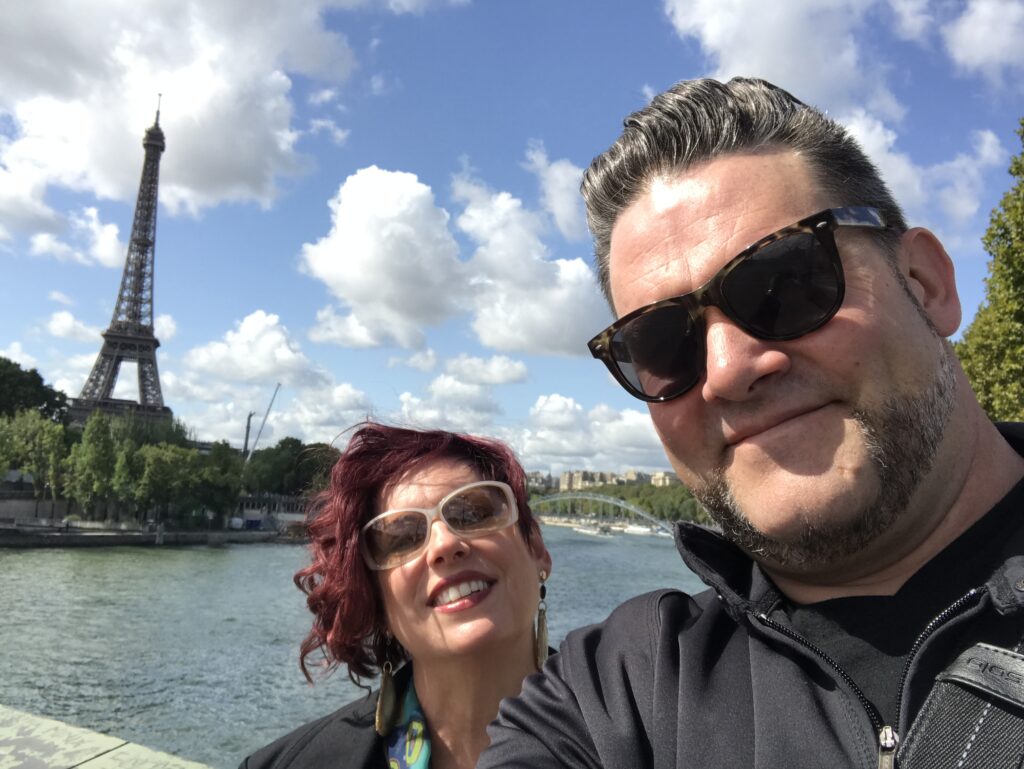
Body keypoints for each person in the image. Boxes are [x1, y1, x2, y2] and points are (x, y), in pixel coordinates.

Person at [479, 77, 1024, 768]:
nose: (730, 368)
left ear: (927, 284)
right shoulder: (605, 699)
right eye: (662, 343)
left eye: (785, 281)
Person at [239, 422, 552, 769]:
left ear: (536, 548)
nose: (445, 544)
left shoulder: (621, 719)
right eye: (402, 537)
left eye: (473, 513)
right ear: (375, 600)